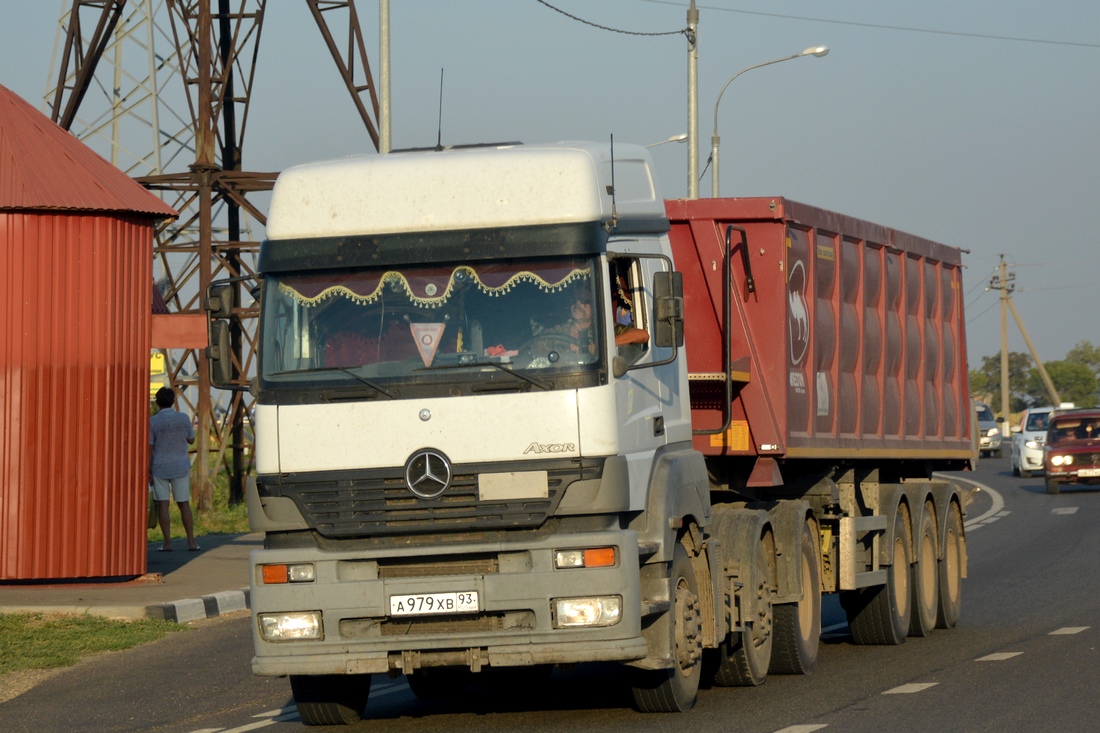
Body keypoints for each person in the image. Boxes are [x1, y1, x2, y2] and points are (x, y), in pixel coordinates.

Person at [149, 386, 199, 552]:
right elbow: (191, 439)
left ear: (157, 402)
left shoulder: (153, 421)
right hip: (180, 465)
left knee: (163, 504)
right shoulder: (183, 418)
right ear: (173, 401)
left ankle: (168, 543)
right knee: (183, 503)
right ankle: (191, 542)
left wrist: (149, 470)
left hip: (159, 466)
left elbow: (150, 447)